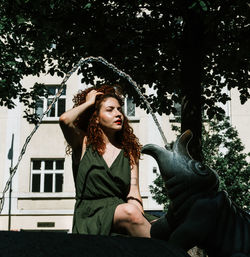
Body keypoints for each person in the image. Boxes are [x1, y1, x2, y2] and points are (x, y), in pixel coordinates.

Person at [59, 84, 151, 237]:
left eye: (119, 109)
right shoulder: (82, 143)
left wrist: (140, 217)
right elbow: (64, 120)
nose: (118, 114)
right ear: (95, 118)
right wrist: (89, 103)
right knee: (130, 212)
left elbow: (133, 194)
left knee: (160, 225)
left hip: (123, 214)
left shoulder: (129, 151)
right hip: (91, 215)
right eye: (110, 110)